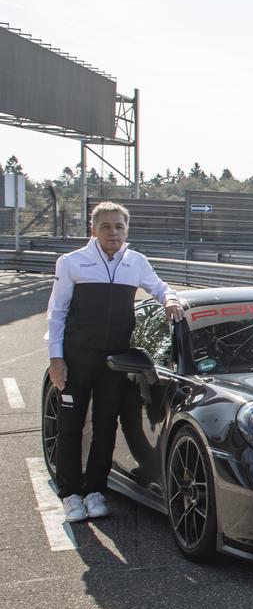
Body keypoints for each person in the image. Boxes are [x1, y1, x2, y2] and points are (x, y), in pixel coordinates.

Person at [46, 201, 183, 523]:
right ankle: (70, 494)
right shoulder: (71, 263)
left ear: (127, 230)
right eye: (106, 226)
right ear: (93, 230)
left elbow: (160, 287)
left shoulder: (136, 262)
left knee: (106, 427)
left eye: (119, 226)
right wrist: (56, 358)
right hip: (77, 358)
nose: (113, 232)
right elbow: (57, 312)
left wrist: (171, 298)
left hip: (115, 362)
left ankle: (95, 491)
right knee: (70, 427)